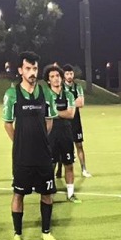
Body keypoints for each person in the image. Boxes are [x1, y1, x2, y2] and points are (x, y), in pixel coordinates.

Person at [3, 52, 62, 240]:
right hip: (22, 156)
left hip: (43, 154)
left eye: (35, 68)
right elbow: (8, 124)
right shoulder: (12, 94)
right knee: (18, 194)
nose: (32, 72)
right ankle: (17, 235)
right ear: (20, 70)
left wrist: (40, 139)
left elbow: (50, 119)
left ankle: (46, 233)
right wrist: (19, 141)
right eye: (28, 68)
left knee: (47, 194)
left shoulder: (45, 93)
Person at [45, 64, 80, 202]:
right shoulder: (45, 96)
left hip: (66, 133)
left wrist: (53, 113)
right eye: (52, 77)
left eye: (57, 76)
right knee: (51, 166)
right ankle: (50, 192)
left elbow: (71, 114)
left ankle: (70, 194)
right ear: (48, 80)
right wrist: (60, 113)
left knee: (69, 164)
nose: (56, 79)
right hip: (51, 133)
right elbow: (44, 115)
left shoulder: (69, 95)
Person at [63, 64, 91, 178]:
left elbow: (81, 103)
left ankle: (84, 169)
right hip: (64, 121)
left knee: (79, 145)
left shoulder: (77, 87)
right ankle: (59, 170)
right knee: (62, 146)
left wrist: (67, 103)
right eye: (67, 73)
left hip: (75, 120)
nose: (69, 76)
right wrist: (74, 102)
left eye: (71, 73)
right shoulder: (60, 87)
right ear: (63, 75)